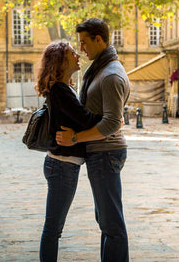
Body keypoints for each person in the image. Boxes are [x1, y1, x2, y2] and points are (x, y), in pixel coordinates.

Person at [56, 18, 131, 262]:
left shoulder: (110, 75)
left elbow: (110, 123)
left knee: (112, 224)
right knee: (106, 222)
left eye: (84, 43)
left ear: (99, 39)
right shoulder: (101, 69)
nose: (82, 49)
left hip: (106, 153)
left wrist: (75, 138)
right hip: (100, 153)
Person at [35, 40, 103, 262]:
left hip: (63, 165)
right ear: (61, 61)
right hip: (61, 166)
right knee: (53, 227)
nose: (78, 56)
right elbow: (85, 120)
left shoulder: (66, 88)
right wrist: (112, 119)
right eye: (72, 53)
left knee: (54, 226)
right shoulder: (60, 91)